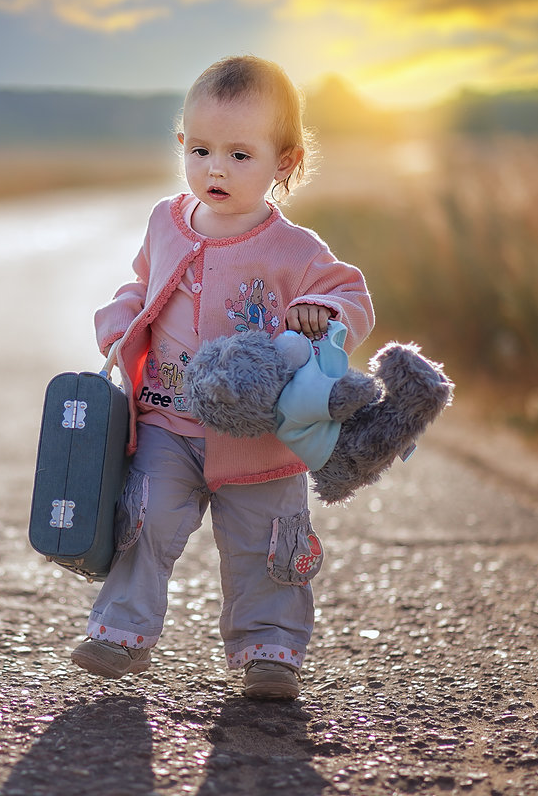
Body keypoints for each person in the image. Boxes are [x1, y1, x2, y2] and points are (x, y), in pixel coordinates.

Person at [70, 55, 374, 700]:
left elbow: (352, 295)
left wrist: (326, 312)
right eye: (202, 149)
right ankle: (120, 630)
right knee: (143, 517)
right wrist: (121, 319)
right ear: (181, 144)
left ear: (283, 162)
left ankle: (271, 647)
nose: (216, 168)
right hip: (166, 419)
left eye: (241, 154)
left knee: (267, 545)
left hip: (260, 436)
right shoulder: (166, 222)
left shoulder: (294, 249)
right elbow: (141, 284)